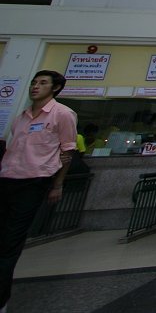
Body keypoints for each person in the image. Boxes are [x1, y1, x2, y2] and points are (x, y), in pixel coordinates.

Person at [0, 70, 77, 311]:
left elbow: (67, 152)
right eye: (34, 82)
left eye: (42, 83)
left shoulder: (62, 114)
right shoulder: (21, 116)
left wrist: (57, 184)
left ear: (55, 88)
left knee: (10, 243)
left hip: (34, 183)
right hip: (6, 180)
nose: (35, 86)